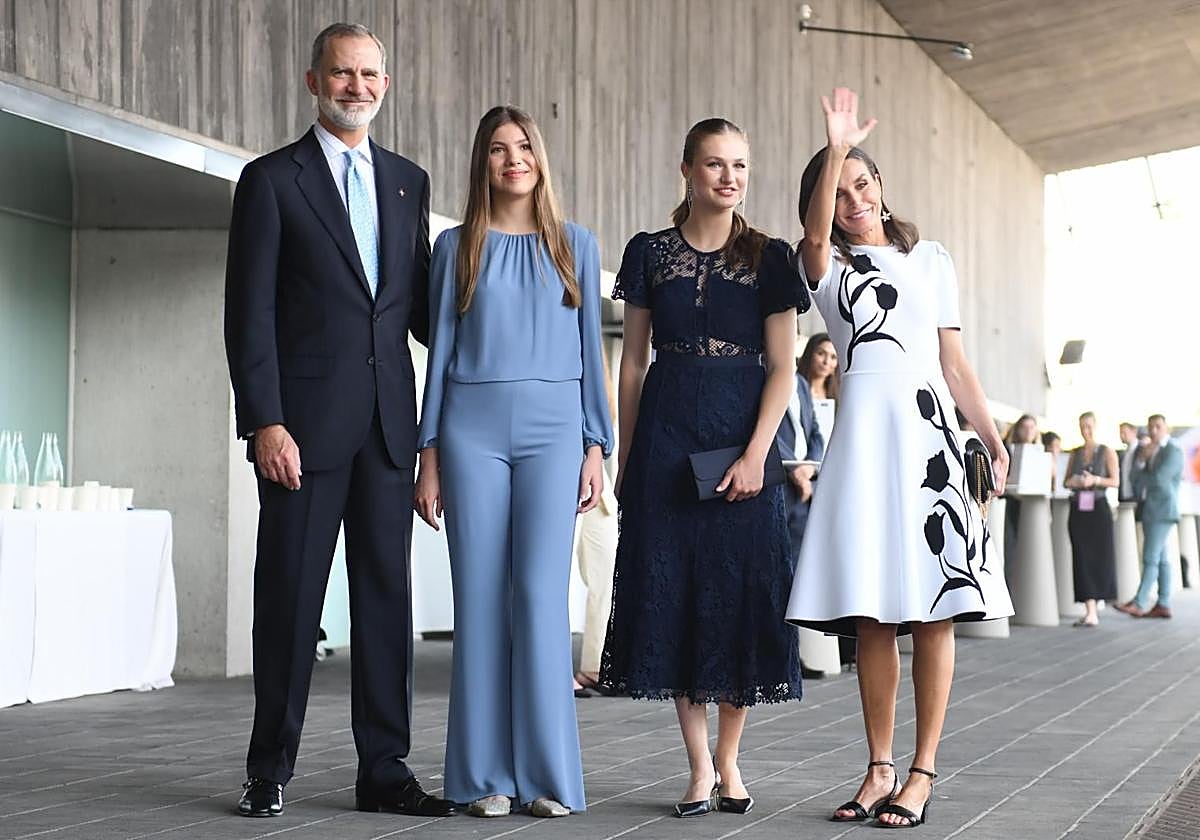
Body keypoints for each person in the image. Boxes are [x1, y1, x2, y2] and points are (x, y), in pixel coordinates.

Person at [224, 23, 454, 819]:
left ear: (386, 84)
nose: (357, 86)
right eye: (342, 73)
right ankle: (268, 768)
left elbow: (419, 309)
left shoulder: (408, 182)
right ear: (313, 81)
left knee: (387, 602)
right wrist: (265, 422)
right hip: (302, 432)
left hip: (389, 429)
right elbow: (248, 313)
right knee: (289, 600)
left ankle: (384, 770)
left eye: (370, 74)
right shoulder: (270, 181)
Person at [785, 88, 1013, 828]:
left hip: (930, 441)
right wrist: (834, 148)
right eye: (840, 189)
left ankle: (922, 772)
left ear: (881, 183)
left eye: (863, 182)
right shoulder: (824, 265)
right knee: (873, 613)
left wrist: (991, 437)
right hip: (864, 448)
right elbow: (813, 237)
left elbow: (955, 365)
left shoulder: (931, 260)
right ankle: (878, 767)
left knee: (935, 609)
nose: (854, 199)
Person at [599, 117, 807, 818]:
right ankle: (696, 768)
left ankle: (730, 760)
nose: (729, 177)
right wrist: (628, 455)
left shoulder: (771, 258)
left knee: (736, 598)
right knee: (676, 599)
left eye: (740, 165)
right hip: (665, 442)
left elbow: (783, 369)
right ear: (687, 169)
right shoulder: (649, 252)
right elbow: (633, 364)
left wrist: (756, 456)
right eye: (715, 164)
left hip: (743, 440)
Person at [413, 105, 611, 818]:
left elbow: (591, 351)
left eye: (523, 146)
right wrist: (428, 452)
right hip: (470, 430)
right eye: (498, 149)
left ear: (539, 157)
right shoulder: (455, 246)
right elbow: (440, 351)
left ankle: (548, 778)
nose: (513, 158)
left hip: (555, 434)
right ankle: (481, 778)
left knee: (539, 595)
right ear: (483, 163)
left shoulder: (576, 245)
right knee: (479, 596)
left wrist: (596, 444)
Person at [573, 346, 620, 698]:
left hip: (594, 474)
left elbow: (608, 410)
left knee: (607, 567)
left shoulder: (594, 345)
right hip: (558, 462)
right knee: (551, 578)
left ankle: (595, 665)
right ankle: (549, 672)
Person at [1115, 414, 1184, 619]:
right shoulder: (1148, 451)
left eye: (1158, 426)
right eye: (1150, 427)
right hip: (1149, 509)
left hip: (1162, 510)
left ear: (1166, 428)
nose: (1154, 431)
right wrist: (1142, 460)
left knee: (1150, 557)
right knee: (1161, 559)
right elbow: (1133, 478)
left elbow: (1160, 479)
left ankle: (1139, 602)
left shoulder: (1173, 450)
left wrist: (1145, 473)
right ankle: (1163, 603)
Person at [1063, 412, 1118, 626]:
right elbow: (1065, 481)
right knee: (1081, 558)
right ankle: (1089, 610)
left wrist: (1095, 480)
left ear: (1096, 426)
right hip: (1079, 509)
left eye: (1089, 425)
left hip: (1098, 509)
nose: (1086, 430)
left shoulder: (1107, 451)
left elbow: (1115, 481)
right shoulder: (1075, 453)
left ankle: (1097, 604)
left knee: (1099, 557)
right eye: (1082, 426)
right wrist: (1075, 481)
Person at [798, 332, 839, 443]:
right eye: (821, 353)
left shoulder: (838, 397)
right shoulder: (795, 388)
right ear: (810, 354)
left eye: (833, 357)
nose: (826, 362)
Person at [1117, 421, 1140, 502]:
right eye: (1120, 433)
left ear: (1134, 432)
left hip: (1137, 495)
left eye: (1124, 432)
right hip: (1124, 495)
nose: (1121, 436)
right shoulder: (1123, 453)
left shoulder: (1142, 450)